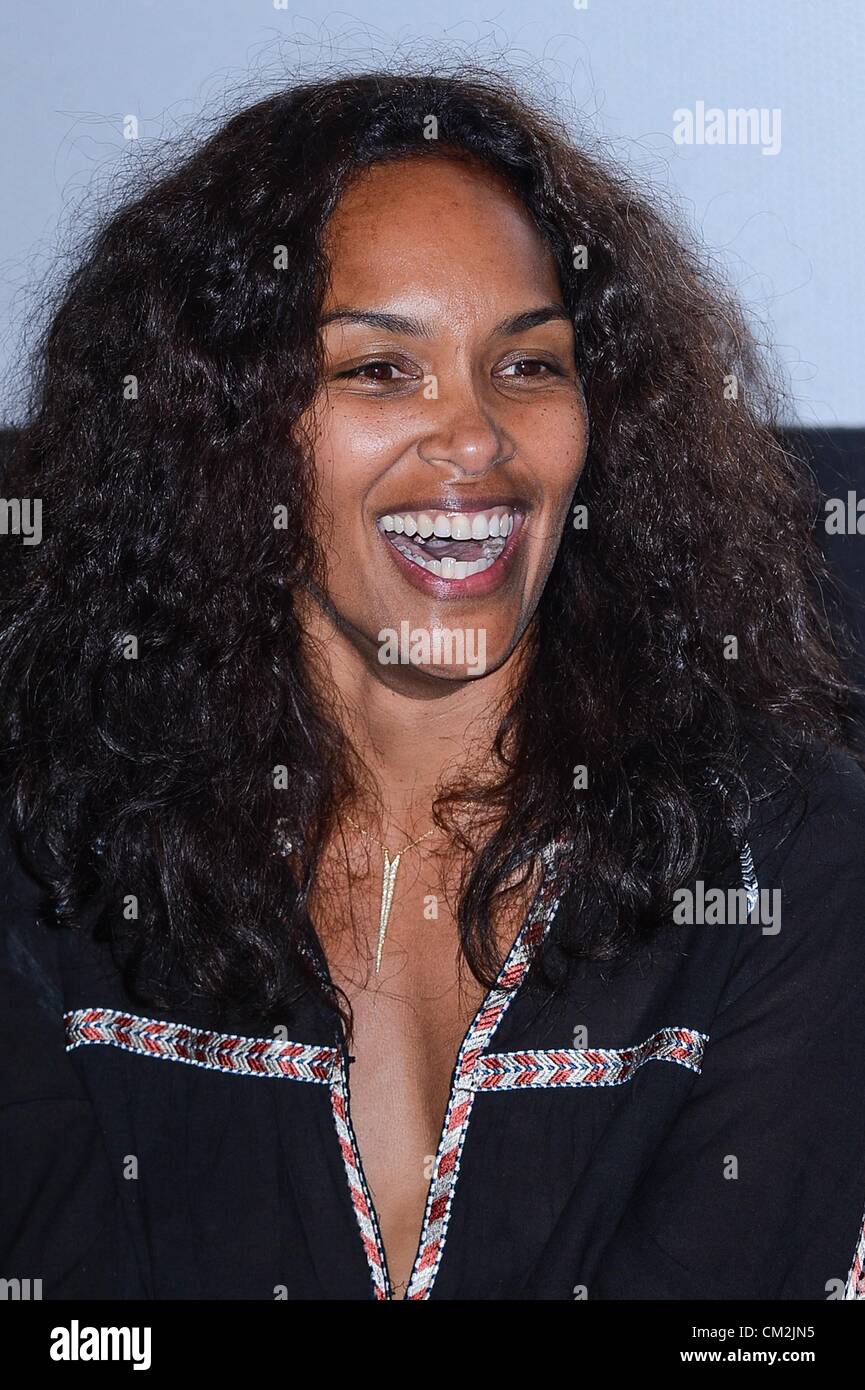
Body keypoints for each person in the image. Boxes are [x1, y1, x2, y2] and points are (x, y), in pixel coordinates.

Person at [1, 68, 864, 1302]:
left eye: (529, 365)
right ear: (219, 424)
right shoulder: (48, 861)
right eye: (377, 370)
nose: (475, 439)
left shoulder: (785, 853)